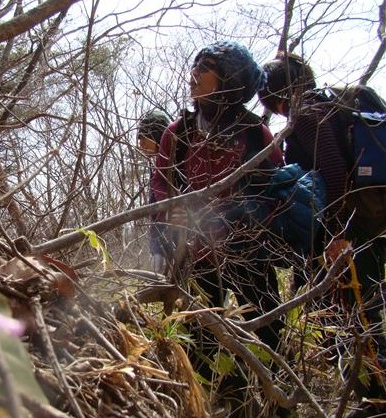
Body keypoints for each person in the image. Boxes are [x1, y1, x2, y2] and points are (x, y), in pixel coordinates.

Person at [151, 40, 286, 417]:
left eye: (205, 67)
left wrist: (238, 216)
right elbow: (159, 186)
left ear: (230, 79)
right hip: (193, 258)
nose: (193, 74)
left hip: (248, 255)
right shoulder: (178, 133)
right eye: (194, 65)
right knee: (196, 339)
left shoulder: (256, 135)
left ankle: (267, 404)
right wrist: (168, 217)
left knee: (265, 332)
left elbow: (275, 193)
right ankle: (203, 405)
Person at [259, 52, 386, 418]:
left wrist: (336, 234)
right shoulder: (334, 105)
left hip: (353, 228)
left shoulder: (308, 113)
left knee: (360, 310)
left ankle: (377, 398)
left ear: (276, 93)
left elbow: (331, 169)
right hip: (373, 218)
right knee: (368, 304)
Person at [136, 109, 173, 273]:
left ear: (159, 135)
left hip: (173, 242)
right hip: (161, 243)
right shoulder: (158, 168)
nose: (140, 144)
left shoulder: (173, 166)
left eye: (144, 137)